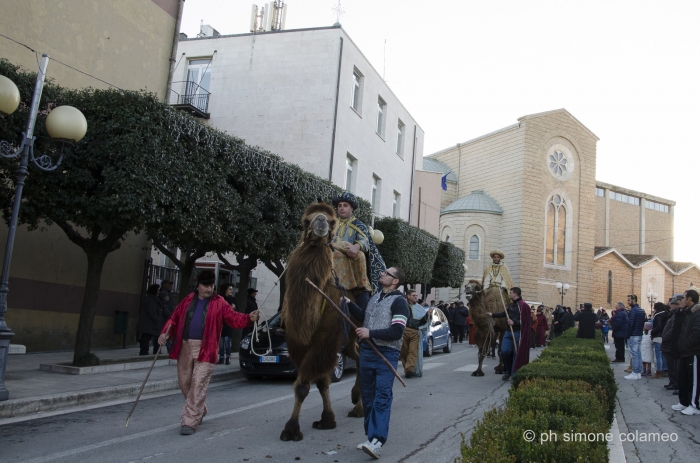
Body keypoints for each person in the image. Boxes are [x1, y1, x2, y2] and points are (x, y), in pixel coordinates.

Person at [158, 270, 259, 435]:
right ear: (198, 285)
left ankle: (189, 421)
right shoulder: (187, 300)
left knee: (198, 384)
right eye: (206, 285)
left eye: (211, 285)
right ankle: (200, 409)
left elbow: (233, 318)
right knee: (185, 383)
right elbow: (173, 320)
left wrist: (248, 318)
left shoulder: (220, 302)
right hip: (185, 346)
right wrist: (164, 334)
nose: (209, 288)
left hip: (208, 349)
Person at [345, 267, 409, 459]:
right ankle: (370, 437)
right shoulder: (375, 297)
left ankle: (377, 441)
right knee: (369, 396)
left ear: (395, 281)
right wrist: (348, 303)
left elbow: (397, 331)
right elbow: (365, 316)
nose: (382, 274)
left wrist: (370, 333)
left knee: (382, 396)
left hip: (386, 354)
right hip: (367, 353)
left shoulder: (400, 302)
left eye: (386, 273)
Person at [332, 191, 385, 309]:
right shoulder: (331, 223)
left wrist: (357, 246)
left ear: (351, 208)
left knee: (360, 255)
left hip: (349, 260)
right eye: (339, 206)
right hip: (330, 258)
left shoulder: (359, 225)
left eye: (345, 206)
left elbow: (365, 241)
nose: (341, 208)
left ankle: (361, 291)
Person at [487, 287, 531, 381]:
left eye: (511, 293)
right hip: (508, 332)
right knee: (504, 351)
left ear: (515, 294)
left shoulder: (524, 306)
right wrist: (493, 315)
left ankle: (513, 372)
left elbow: (526, 321)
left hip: (518, 333)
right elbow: (505, 313)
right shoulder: (511, 305)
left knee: (516, 353)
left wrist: (514, 322)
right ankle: (508, 369)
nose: (509, 294)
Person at [675, 289, 700, 415]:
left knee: (693, 380)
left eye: (684, 298)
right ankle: (684, 402)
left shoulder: (697, 313)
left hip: (693, 352)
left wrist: (686, 345)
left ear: (690, 299)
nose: (682, 300)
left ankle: (694, 405)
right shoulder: (688, 313)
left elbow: (697, 333)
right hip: (685, 352)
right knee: (683, 379)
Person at [400, 289, 428, 378]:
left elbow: (424, 320)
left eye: (416, 295)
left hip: (415, 332)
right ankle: (407, 368)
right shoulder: (402, 305)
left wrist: (428, 314)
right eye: (413, 295)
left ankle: (409, 370)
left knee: (413, 351)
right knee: (404, 352)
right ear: (408, 296)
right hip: (404, 331)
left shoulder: (419, 307)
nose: (416, 297)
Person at [137, 284, 164, 355]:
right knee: (146, 338)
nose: (159, 292)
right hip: (149, 323)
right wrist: (157, 320)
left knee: (147, 338)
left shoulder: (153, 299)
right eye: (158, 290)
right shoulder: (151, 300)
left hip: (150, 323)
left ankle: (147, 351)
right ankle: (144, 352)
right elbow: (152, 311)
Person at [661, 298, 681, 391]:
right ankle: (672, 382)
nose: (670, 306)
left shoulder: (676, 314)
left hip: (670, 343)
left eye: (672, 304)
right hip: (668, 343)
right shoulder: (672, 314)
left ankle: (675, 383)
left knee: (673, 365)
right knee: (670, 365)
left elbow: (673, 329)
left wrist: (665, 337)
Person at [625, 294, 645, 380]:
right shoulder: (641, 310)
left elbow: (631, 324)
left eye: (629, 300)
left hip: (634, 334)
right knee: (638, 354)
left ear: (634, 300)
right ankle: (638, 372)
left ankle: (635, 372)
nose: (628, 302)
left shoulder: (633, 311)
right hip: (639, 334)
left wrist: (628, 335)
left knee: (634, 354)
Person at [218, 283, 236, 365]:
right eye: (230, 289)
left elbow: (236, 311)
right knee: (221, 341)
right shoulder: (221, 299)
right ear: (226, 290)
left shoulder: (233, 299)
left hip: (228, 323)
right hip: (221, 322)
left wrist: (233, 308)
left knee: (227, 340)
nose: (231, 291)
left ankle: (228, 357)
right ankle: (221, 358)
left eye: (232, 289)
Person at [650, 302, 669, 379]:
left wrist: (652, 331)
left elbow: (658, 327)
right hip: (664, 336)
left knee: (658, 355)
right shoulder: (666, 315)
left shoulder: (658, 316)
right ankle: (665, 369)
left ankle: (659, 371)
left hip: (658, 337)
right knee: (663, 354)